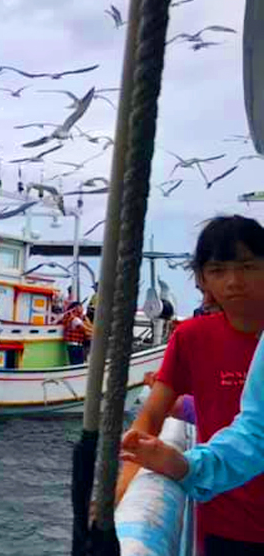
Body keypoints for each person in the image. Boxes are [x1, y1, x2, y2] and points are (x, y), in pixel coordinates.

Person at [115, 215, 264, 554]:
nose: (234, 281)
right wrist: (121, 491)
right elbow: (150, 417)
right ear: (201, 280)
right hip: (228, 521)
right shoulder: (192, 338)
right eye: (218, 270)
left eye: (248, 267)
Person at [121, 338, 264, 521]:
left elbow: (255, 432)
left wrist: (187, 466)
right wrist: (185, 466)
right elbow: (256, 430)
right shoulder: (191, 336)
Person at [57, 300, 92, 365]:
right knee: (77, 364)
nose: (82, 309)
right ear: (75, 308)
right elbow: (85, 329)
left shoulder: (79, 318)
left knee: (78, 363)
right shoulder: (73, 318)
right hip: (74, 345)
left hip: (78, 345)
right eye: (80, 307)